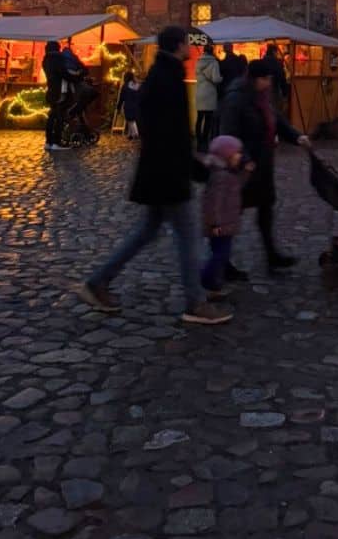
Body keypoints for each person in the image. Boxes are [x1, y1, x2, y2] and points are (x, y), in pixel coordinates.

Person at [73, 24, 232, 325]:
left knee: (147, 231)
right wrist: (196, 167)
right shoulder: (168, 79)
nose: (191, 48)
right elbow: (173, 134)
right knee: (186, 236)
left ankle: (97, 282)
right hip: (168, 173)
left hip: (159, 171)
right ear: (178, 46)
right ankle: (195, 301)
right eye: (187, 43)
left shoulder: (160, 75)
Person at [218, 57, 311, 277]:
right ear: (255, 79)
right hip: (244, 168)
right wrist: (243, 159)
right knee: (231, 214)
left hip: (263, 164)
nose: (269, 83)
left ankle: (272, 256)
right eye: (266, 79)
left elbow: (276, 121)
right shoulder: (236, 99)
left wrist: (297, 138)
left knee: (266, 209)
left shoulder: (262, 97)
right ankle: (221, 262)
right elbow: (230, 133)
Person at [200, 134, 254, 298]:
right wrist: (216, 224)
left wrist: (246, 173)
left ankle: (214, 284)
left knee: (221, 254)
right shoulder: (221, 177)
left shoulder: (227, 174)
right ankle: (206, 279)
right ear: (226, 156)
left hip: (225, 224)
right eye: (237, 153)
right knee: (220, 255)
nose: (240, 156)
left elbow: (237, 185)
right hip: (221, 226)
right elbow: (213, 203)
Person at [194, 42, 222, 152]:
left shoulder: (198, 62)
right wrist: (221, 78)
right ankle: (204, 142)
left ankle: (198, 141)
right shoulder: (214, 63)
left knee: (199, 118)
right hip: (209, 94)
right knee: (208, 119)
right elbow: (215, 79)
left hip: (200, 92)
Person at [42, 41, 69, 152]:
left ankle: (48, 141)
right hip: (59, 92)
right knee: (59, 117)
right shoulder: (57, 59)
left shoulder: (46, 60)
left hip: (51, 91)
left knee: (51, 117)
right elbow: (64, 73)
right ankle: (56, 142)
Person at [264, 43, 290, 112]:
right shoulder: (277, 62)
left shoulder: (262, 61)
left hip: (264, 90)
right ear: (273, 52)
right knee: (275, 110)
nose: (277, 54)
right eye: (277, 52)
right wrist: (285, 93)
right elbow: (282, 77)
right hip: (274, 89)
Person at [119, 72, 140, 139]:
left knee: (130, 120)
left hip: (128, 105)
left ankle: (135, 133)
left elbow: (121, 97)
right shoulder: (136, 85)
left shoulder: (125, 86)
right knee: (131, 119)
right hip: (137, 105)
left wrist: (118, 106)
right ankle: (130, 134)